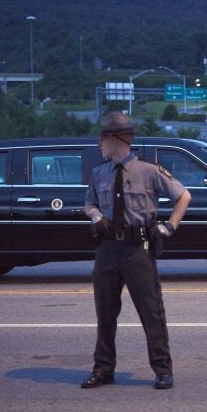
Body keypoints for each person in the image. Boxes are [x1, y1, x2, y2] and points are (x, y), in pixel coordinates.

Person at [82, 111, 191, 390]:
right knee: (105, 313)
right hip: (108, 249)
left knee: (151, 312)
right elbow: (89, 203)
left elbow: (183, 196)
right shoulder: (99, 173)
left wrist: (169, 227)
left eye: (102, 138)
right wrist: (95, 216)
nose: (99, 143)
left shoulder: (149, 171)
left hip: (137, 250)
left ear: (115, 139)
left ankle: (163, 370)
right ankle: (103, 369)